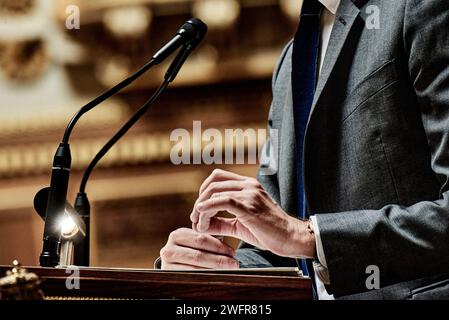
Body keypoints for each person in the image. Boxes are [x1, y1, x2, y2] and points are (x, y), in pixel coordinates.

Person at [160, 0, 449, 299]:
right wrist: (210, 270)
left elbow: (298, 235)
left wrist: (307, 236)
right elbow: (279, 251)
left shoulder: (418, 6)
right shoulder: (290, 62)